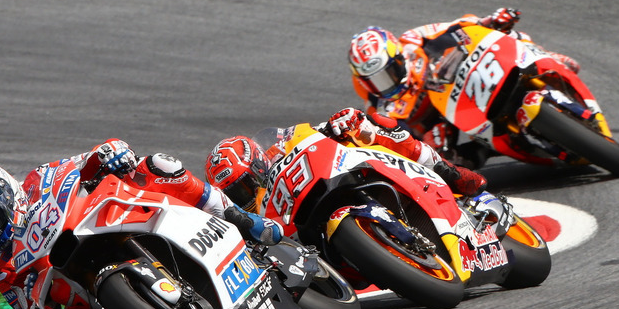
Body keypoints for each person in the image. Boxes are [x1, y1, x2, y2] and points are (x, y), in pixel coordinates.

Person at [0, 139, 283, 309]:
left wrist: (110, 153)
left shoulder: (39, 179)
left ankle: (233, 215)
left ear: (7, 197)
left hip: (96, 224)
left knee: (157, 165)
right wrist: (36, 305)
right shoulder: (0, 268)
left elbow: (87, 159)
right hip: (88, 297)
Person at [347, 8, 581, 168]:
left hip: (462, 78)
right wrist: (428, 143)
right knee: (453, 162)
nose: (382, 86)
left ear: (397, 58)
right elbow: (401, 144)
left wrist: (492, 21)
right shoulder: (379, 109)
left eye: (386, 75)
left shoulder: (412, 39)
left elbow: (460, 26)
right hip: (450, 124)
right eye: (372, 81)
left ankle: (543, 57)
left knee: (506, 33)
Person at [205, 107, 487, 216]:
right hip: (300, 224)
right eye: (234, 195)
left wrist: (339, 122)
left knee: (375, 125)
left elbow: (309, 135)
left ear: (256, 166)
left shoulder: (279, 146)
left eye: (243, 187)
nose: (244, 197)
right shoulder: (252, 217)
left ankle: (447, 171)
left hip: (330, 177)